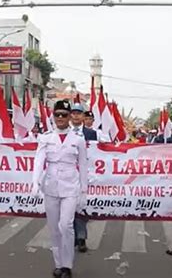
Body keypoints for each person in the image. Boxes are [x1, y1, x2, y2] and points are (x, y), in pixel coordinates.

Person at [31, 100, 88, 278]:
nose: (61, 118)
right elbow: (39, 161)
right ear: (53, 116)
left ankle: (67, 265)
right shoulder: (45, 137)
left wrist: (84, 190)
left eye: (64, 114)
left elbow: (83, 165)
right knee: (54, 228)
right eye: (58, 115)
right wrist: (35, 182)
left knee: (66, 225)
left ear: (70, 116)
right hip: (51, 185)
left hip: (71, 186)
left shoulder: (78, 140)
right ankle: (58, 263)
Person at [70, 103, 95, 253]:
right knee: (68, 209)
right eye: (73, 113)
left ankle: (81, 238)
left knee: (81, 208)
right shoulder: (64, 132)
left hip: (84, 175)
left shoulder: (91, 134)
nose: (76, 116)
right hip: (68, 176)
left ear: (83, 116)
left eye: (79, 113)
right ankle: (71, 237)